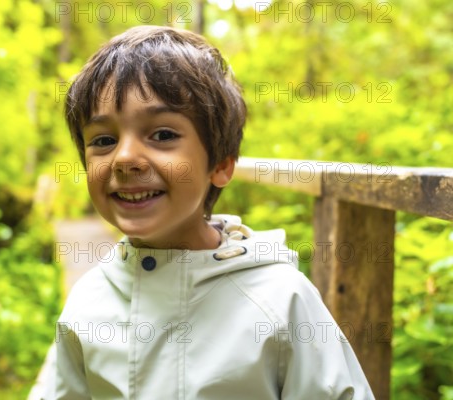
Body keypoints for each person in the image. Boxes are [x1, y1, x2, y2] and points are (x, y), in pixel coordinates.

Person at [29, 25, 374, 399]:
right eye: (103, 140)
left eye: (162, 135)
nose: (124, 158)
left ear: (221, 165)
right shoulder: (89, 300)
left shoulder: (280, 300)